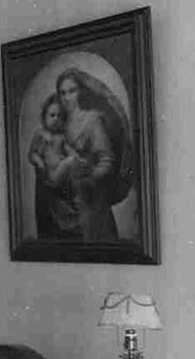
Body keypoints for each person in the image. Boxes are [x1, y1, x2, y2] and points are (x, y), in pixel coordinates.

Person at [55, 68, 135, 241]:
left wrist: (89, 179)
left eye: (71, 91)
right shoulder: (58, 123)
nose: (67, 97)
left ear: (81, 92)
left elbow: (107, 160)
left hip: (91, 200)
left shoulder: (92, 120)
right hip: (67, 204)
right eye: (62, 93)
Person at [27, 94, 79, 238]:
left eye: (59, 116)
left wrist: (76, 156)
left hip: (61, 177)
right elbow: (32, 153)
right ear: (44, 117)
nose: (56, 119)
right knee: (70, 161)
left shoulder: (61, 137)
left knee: (72, 160)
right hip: (49, 176)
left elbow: (69, 150)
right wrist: (39, 161)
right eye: (52, 115)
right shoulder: (41, 134)